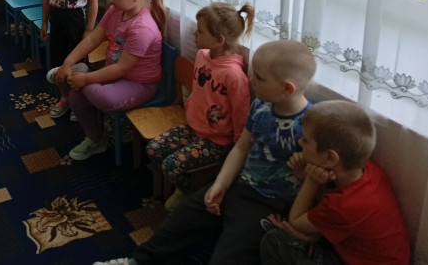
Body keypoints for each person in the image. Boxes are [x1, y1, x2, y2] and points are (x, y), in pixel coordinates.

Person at [95, 39, 316, 265]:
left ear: (287, 88)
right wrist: (220, 185)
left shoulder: (310, 127)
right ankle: (137, 262)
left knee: (228, 255)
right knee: (181, 217)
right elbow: (241, 149)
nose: (251, 80)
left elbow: (314, 183)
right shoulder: (261, 106)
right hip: (239, 186)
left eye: (259, 78)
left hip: (269, 204)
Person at [260, 100, 411, 265]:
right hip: (370, 252)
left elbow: (295, 221)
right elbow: (329, 203)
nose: (299, 143)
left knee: (274, 241)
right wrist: (307, 171)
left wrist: (311, 180)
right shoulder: (366, 169)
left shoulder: (342, 206)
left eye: (306, 140)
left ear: (330, 158)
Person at [146, 1, 254, 211]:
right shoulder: (202, 55)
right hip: (193, 127)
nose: (195, 34)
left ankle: (188, 193)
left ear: (219, 40)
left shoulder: (234, 76)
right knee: (153, 149)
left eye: (200, 31)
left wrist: (236, 151)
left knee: (171, 165)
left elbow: (241, 115)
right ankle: (181, 182)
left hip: (217, 141)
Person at [52, 0, 166, 161]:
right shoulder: (115, 10)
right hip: (113, 74)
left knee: (101, 97)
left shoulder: (143, 29)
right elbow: (92, 40)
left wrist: (85, 78)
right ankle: (95, 139)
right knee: (77, 96)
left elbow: (122, 68)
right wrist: (67, 63)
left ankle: (78, 74)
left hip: (139, 84)